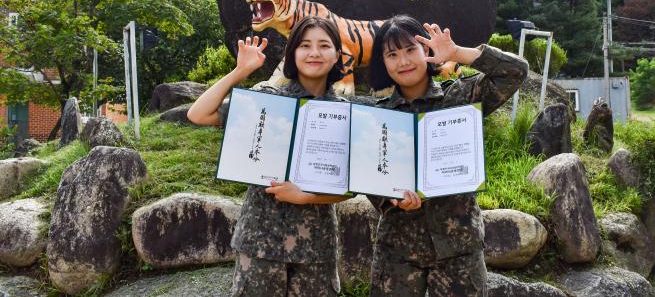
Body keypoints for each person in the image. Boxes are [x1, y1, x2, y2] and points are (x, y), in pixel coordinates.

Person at [367, 15, 528, 297]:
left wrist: (457, 53)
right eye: (392, 54)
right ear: (383, 62)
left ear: (426, 50)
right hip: (398, 250)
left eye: (410, 50)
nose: (403, 61)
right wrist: (389, 198)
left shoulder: (460, 98)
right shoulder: (378, 116)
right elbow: (368, 173)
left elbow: (515, 71)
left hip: (458, 249)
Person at [188, 16, 350, 297]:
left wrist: (305, 197)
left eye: (324, 45)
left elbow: (349, 187)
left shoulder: (346, 112)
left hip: (316, 248)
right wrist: (239, 72)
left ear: (337, 54)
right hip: (260, 244)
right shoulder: (265, 97)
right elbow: (198, 114)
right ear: (292, 53)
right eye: (304, 45)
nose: (314, 53)